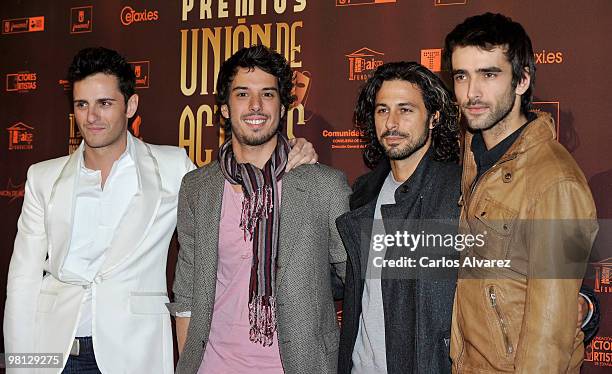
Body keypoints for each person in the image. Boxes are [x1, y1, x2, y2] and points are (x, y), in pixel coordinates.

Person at [3, 47, 316, 374]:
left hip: (133, 352)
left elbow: (233, 183)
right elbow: (22, 280)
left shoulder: (172, 167)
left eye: (104, 103)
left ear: (131, 105)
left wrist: (295, 150)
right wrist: (20, 366)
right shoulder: (44, 177)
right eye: (82, 104)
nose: (92, 116)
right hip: (53, 351)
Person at [169, 45, 351, 374]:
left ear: (283, 107)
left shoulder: (324, 186)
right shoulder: (197, 188)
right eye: (242, 94)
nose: (256, 106)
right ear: (224, 107)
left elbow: (353, 279)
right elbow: (186, 292)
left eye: (268, 94)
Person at [444, 13, 598, 373]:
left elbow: (551, 336)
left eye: (489, 74)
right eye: (462, 76)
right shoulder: (472, 155)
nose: (471, 93)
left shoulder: (558, 183)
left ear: (522, 80)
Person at [336, 61, 462, 374]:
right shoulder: (363, 193)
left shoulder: (460, 192)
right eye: (382, 110)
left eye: (405, 110)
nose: (392, 123)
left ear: (433, 118)